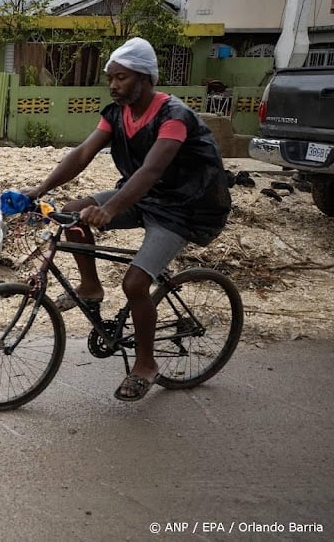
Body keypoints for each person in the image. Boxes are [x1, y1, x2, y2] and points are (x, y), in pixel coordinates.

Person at [21, 37, 231, 402]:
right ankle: (90, 288)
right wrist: (37, 191)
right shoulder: (117, 114)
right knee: (72, 213)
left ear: (145, 78)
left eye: (122, 78)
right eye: (111, 79)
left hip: (183, 207)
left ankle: (146, 365)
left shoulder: (174, 117)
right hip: (144, 196)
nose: (115, 85)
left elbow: (151, 170)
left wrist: (112, 208)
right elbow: (83, 152)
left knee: (135, 284)